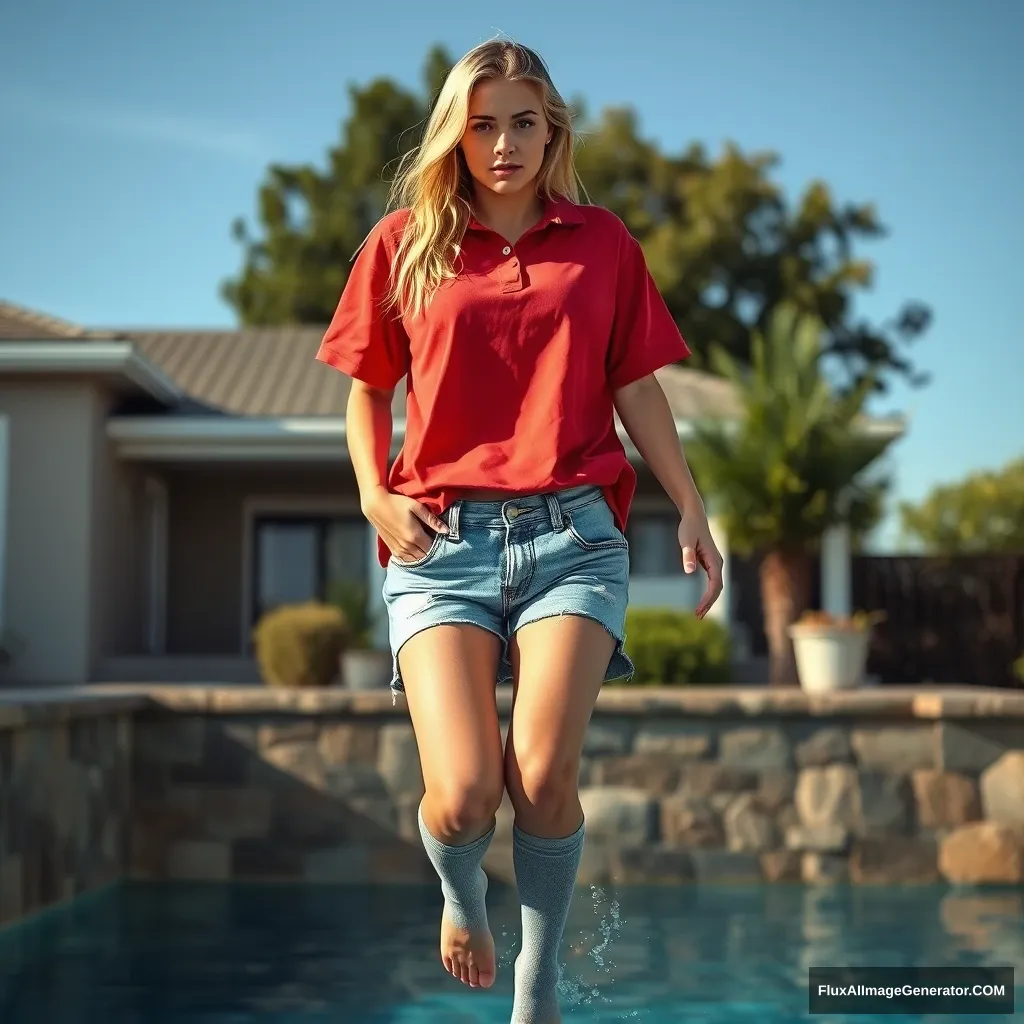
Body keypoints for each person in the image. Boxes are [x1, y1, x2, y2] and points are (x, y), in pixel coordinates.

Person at [316, 38, 723, 1024]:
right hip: (438, 543)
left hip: (573, 536)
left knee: (540, 773)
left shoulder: (602, 242)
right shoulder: (402, 241)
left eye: (523, 123)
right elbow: (367, 393)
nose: (503, 144)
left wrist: (692, 504)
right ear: (457, 133)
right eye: (483, 123)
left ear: (553, 131)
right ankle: (463, 898)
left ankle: (536, 986)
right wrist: (374, 493)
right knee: (460, 796)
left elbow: (636, 384)